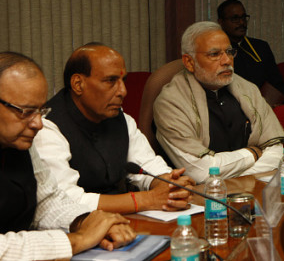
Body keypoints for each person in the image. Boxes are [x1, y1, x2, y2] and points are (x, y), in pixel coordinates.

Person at [0, 51, 135, 260]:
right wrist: (78, 239)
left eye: (40, 111)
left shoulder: (20, 141)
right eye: (25, 112)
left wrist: (85, 221)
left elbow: (46, 200)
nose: (38, 124)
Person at [34, 43, 194, 214]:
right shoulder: (46, 127)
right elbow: (65, 199)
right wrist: (147, 199)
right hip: (75, 230)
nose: (123, 91)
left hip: (122, 222)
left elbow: (146, 164)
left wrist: (170, 185)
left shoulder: (119, 117)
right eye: (111, 81)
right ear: (78, 84)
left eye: (123, 81)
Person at [153, 21, 284, 184]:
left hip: (255, 187)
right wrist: (252, 153)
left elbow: (277, 151)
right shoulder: (170, 103)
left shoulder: (248, 89)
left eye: (230, 52)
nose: (226, 61)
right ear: (189, 62)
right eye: (214, 54)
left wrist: (244, 180)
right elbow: (201, 172)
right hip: (202, 199)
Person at [217, 0, 284, 106]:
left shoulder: (261, 47)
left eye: (243, 17)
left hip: (265, 109)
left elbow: (278, 85)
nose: (241, 22)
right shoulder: (216, 52)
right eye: (235, 18)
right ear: (221, 22)